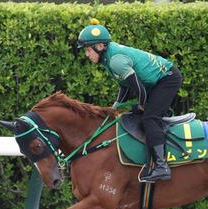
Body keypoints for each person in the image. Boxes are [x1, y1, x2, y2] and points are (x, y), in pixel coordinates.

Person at [77, 19, 182, 182]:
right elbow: (125, 86)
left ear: (99, 46)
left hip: (167, 79)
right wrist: (115, 107)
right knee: (134, 113)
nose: (86, 54)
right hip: (155, 82)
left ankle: (162, 167)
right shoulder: (108, 58)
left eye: (88, 50)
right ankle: (149, 162)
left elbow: (139, 89)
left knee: (149, 117)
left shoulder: (115, 60)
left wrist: (142, 105)